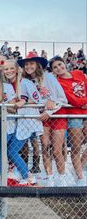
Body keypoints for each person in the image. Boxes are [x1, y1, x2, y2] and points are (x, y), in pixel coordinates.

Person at [17, 52, 68, 187]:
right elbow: (26, 99)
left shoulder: (49, 77)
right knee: (45, 147)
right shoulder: (26, 82)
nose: (28, 66)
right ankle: (49, 177)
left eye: (31, 63)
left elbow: (62, 98)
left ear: (37, 65)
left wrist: (50, 110)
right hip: (41, 116)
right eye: (26, 64)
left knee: (57, 149)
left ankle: (62, 178)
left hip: (56, 114)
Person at [50, 56, 87, 186]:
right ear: (53, 71)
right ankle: (81, 177)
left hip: (86, 112)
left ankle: (78, 168)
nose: (59, 68)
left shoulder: (78, 73)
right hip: (74, 115)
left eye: (60, 64)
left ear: (64, 63)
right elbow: (70, 99)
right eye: (55, 67)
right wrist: (83, 103)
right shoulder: (58, 83)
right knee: (76, 148)